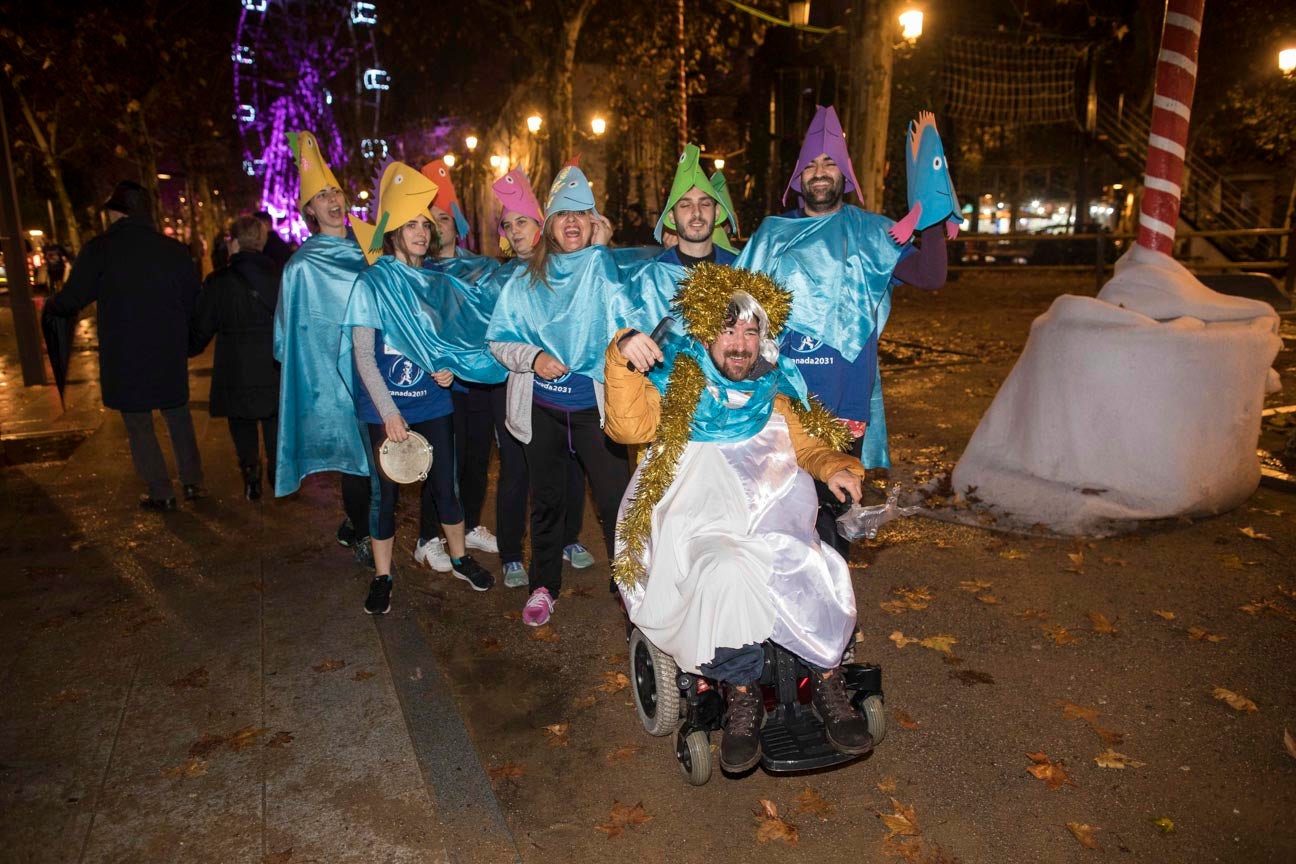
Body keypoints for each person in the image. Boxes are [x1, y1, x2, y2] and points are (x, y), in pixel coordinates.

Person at [606, 264, 874, 773]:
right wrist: (621, 355)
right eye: (728, 329)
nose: (739, 343)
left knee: (808, 561)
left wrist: (835, 464)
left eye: (750, 331)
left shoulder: (774, 386)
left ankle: (827, 679)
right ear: (706, 331)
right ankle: (743, 694)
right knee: (725, 567)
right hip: (696, 512)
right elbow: (624, 427)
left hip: (770, 507)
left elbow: (807, 443)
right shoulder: (674, 381)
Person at [736, 105, 950, 555]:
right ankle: (790, 618)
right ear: (798, 177)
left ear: (845, 174)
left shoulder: (873, 232)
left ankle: (832, 619)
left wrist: (931, 205)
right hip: (781, 406)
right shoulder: (772, 235)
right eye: (811, 164)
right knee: (782, 519)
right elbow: (731, 310)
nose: (819, 172)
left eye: (828, 162)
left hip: (845, 407)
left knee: (832, 520)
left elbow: (930, 275)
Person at [344, 161, 498, 614]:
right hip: (384, 408)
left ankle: (460, 557)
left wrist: (449, 369)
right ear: (392, 231)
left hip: (433, 402)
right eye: (410, 224)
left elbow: (448, 341)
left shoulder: (437, 280)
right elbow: (364, 355)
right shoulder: (370, 282)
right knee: (383, 495)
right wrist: (389, 411)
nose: (421, 232)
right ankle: (383, 576)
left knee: (446, 486)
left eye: (425, 224)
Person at [486, 164, 631, 626]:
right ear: (548, 224)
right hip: (543, 409)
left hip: (596, 411)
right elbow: (498, 341)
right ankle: (543, 586)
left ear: (594, 222)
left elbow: (627, 317)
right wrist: (532, 358)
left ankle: (633, 586)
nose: (572, 222)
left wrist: (603, 254)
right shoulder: (526, 279)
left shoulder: (606, 268)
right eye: (562, 214)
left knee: (617, 502)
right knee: (546, 502)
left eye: (582, 213)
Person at [44, 180, 204, 509]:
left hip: (126, 352)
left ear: (119, 213)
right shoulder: (173, 250)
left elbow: (74, 297)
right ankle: (192, 482)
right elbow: (193, 302)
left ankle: (161, 491)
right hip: (167, 349)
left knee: (139, 422)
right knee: (177, 415)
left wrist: (53, 307)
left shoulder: (100, 249)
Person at [483, 168, 593, 588]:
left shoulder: (575, 266)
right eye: (508, 226)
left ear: (541, 225)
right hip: (512, 383)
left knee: (568, 465)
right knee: (516, 468)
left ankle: (567, 538)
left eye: (522, 222)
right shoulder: (506, 276)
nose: (514, 232)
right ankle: (513, 552)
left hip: (563, 390)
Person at [273, 130, 376, 564]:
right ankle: (365, 533)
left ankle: (360, 525)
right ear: (310, 210)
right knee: (356, 460)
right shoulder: (299, 266)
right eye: (323, 196)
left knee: (379, 456)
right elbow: (284, 336)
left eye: (337, 191)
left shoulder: (369, 250)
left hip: (373, 369)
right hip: (330, 380)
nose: (334, 201)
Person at [413, 159, 504, 570]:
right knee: (438, 460)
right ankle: (428, 535)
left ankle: (466, 527)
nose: (437, 226)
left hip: (478, 382)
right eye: (430, 221)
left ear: (457, 225)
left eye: (444, 218)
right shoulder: (418, 273)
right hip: (438, 383)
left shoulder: (482, 268)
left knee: (475, 459)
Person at [189, 216, 282, 500]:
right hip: (272, 365)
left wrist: (187, 347)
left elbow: (202, 327)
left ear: (235, 243)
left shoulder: (218, 281)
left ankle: (250, 472)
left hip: (235, 367)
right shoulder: (281, 277)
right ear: (262, 242)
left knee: (241, 423)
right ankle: (276, 474)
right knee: (273, 421)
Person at [622, 144, 738, 333]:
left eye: (705, 203)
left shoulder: (739, 268)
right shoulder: (650, 278)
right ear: (672, 217)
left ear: (716, 213)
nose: (696, 212)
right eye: (685, 205)